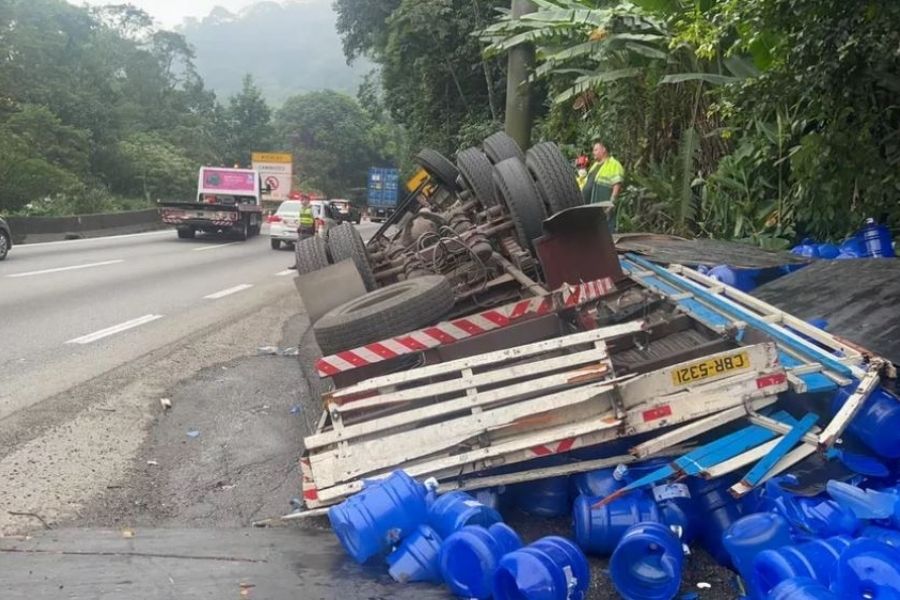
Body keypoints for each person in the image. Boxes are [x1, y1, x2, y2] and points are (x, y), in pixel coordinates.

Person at [582, 141, 625, 232]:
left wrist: (611, 203)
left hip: (603, 207)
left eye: (596, 150)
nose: (593, 152)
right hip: (589, 207)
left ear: (604, 149)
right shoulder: (595, 165)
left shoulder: (614, 164)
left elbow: (617, 186)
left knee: (604, 233)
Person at [289, 193, 316, 270]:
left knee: (310, 249)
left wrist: (316, 231)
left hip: (310, 232)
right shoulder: (301, 209)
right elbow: (301, 219)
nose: (301, 201)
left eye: (302, 200)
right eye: (301, 200)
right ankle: (297, 264)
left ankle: (312, 265)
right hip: (302, 231)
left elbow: (317, 220)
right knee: (298, 248)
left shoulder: (312, 209)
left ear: (307, 200)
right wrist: (298, 227)